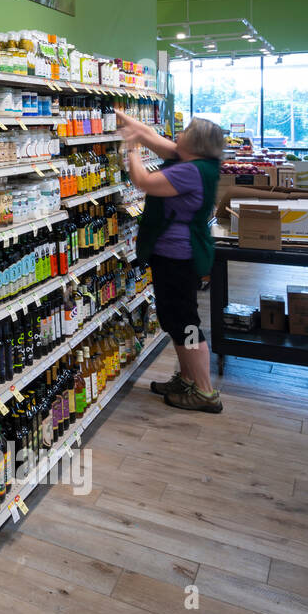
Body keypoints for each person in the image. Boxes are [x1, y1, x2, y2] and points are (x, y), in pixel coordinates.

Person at [116, 113, 225, 412]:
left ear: (196, 143)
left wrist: (132, 149)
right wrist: (117, 112)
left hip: (179, 255)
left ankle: (205, 391)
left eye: (187, 130)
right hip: (177, 253)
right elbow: (148, 133)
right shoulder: (195, 160)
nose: (182, 132)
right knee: (176, 320)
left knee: (186, 322)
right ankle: (187, 380)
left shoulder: (191, 170)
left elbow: (143, 181)